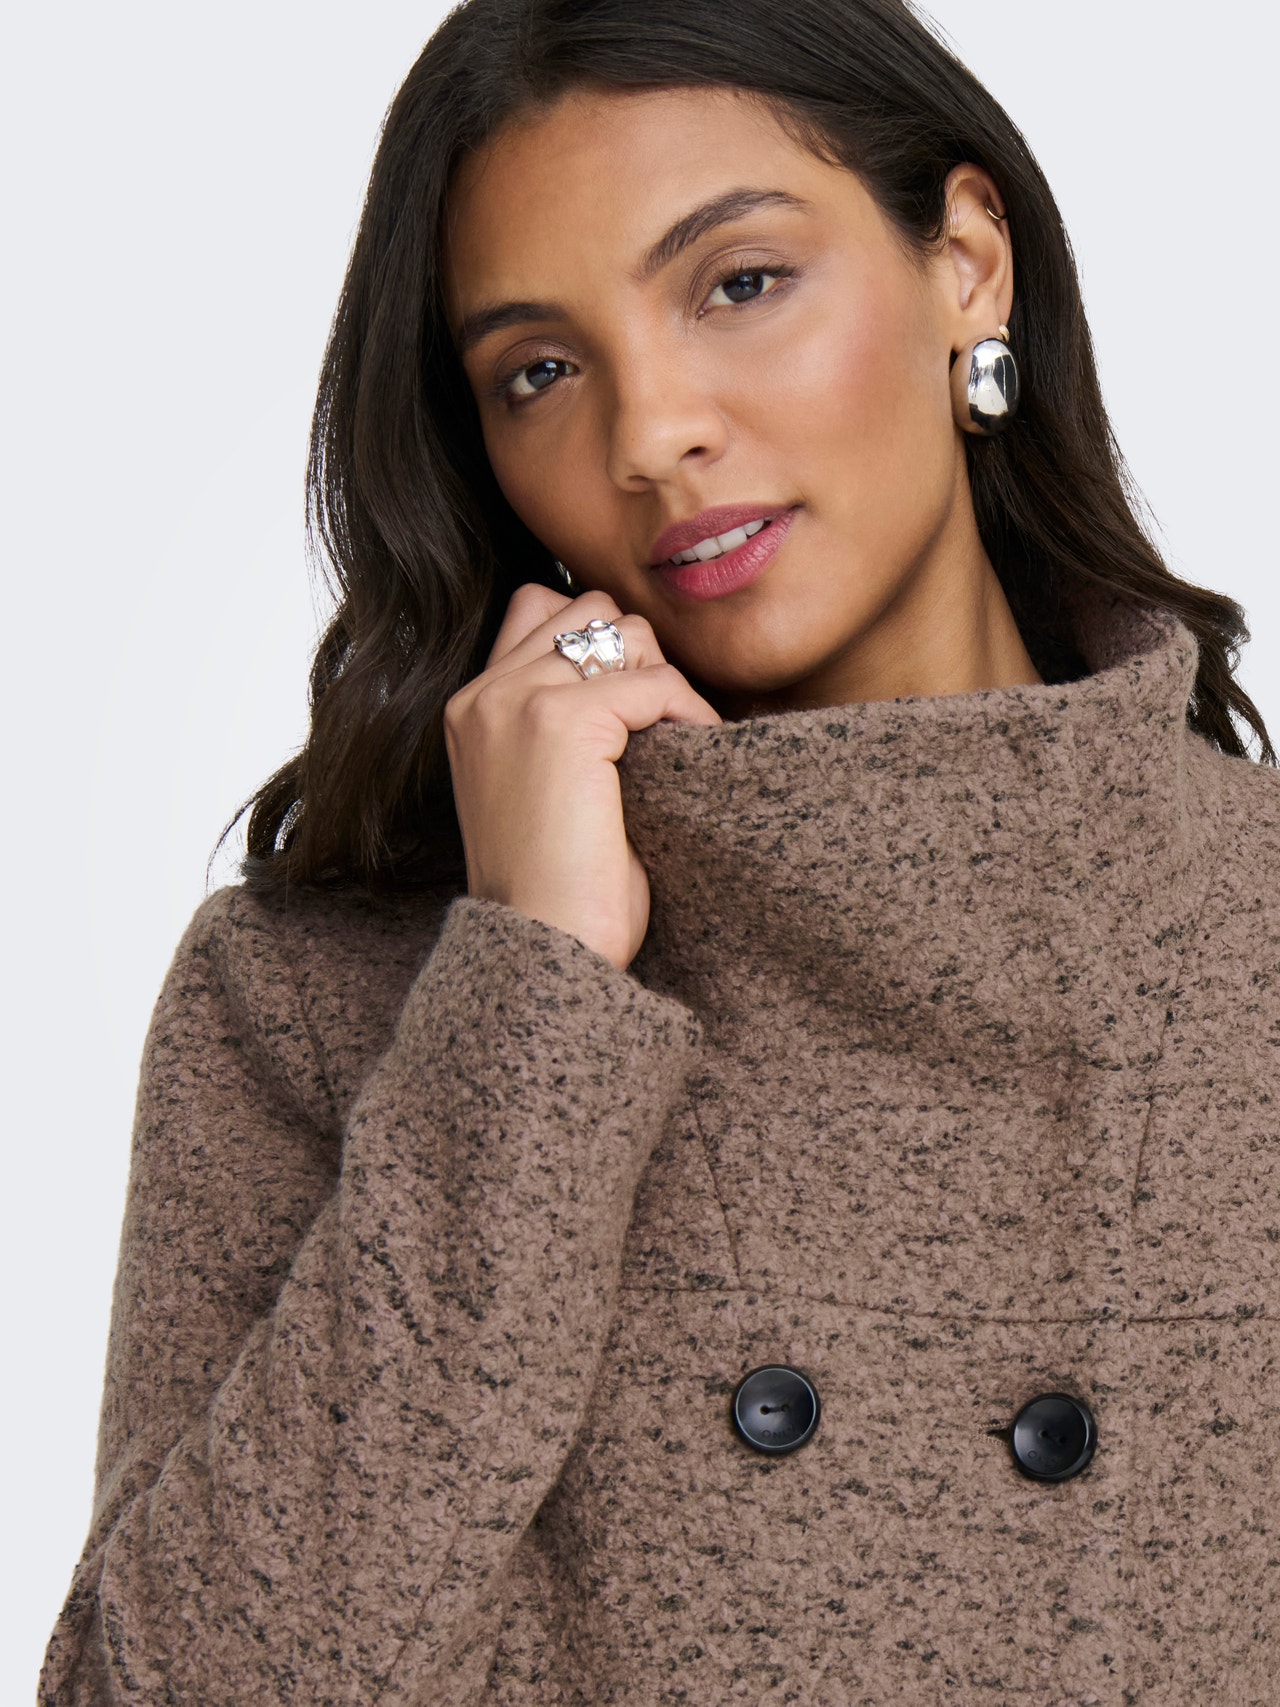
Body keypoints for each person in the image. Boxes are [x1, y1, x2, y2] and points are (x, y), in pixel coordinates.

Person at [40, 1, 1280, 1701]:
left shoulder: (1254, 936)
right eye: (539, 372)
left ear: (967, 266)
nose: (646, 435)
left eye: (739, 283)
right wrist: (533, 995)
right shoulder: (321, 1003)